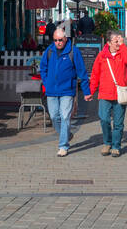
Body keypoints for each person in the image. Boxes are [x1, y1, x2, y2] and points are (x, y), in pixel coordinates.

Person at [39, 28, 92, 156]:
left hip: (67, 90)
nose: (58, 43)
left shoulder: (74, 51)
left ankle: (63, 145)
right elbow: (43, 67)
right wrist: (46, 82)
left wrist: (86, 92)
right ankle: (67, 135)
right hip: (51, 90)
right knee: (54, 117)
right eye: (56, 40)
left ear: (65, 39)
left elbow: (82, 72)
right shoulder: (49, 51)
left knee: (65, 116)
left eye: (60, 40)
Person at [89, 29, 127, 157]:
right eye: (116, 41)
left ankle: (116, 146)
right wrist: (91, 91)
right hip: (105, 93)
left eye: (119, 41)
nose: (118, 44)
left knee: (118, 122)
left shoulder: (123, 53)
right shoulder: (102, 56)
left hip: (120, 93)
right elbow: (95, 74)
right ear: (108, 43)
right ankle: (107, 142)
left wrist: (123, 45)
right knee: (104, 119)